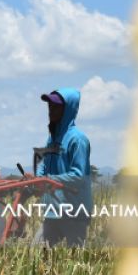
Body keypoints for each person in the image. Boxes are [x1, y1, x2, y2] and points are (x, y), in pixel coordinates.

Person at [36, 88, 92, 245]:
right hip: (53, 210)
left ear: (68, 109)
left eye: (56, 107)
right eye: (50, 106)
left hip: (74, 210)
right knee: (36, 255)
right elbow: (44, 164)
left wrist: (49, 179)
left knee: (75, 259)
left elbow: (79, 175)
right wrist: (38, 179)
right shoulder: (53, 138)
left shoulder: (78, 140)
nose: (51, 110)